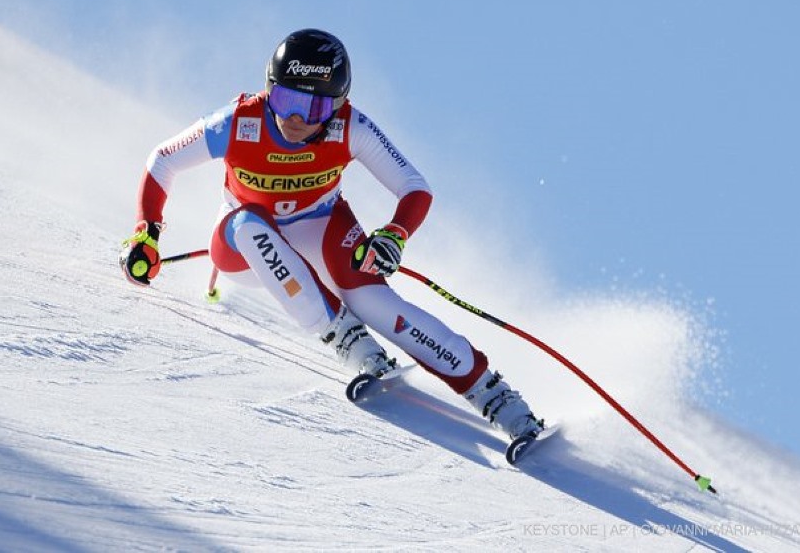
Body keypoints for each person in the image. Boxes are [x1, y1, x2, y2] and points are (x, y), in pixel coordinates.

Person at [119, 29, 543, 443]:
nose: (296, 119)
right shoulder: (238, 122)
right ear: (269, 89)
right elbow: (162, 161)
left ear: (337, 105)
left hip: (320, 226)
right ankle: (347, 339)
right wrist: (147, 233)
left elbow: (415, 187)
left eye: (314, 107)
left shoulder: (350, 126)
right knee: (250, 224)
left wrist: (393, 235)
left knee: (374, 301)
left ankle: (498, 398)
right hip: (242, 245)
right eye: (285, 99)